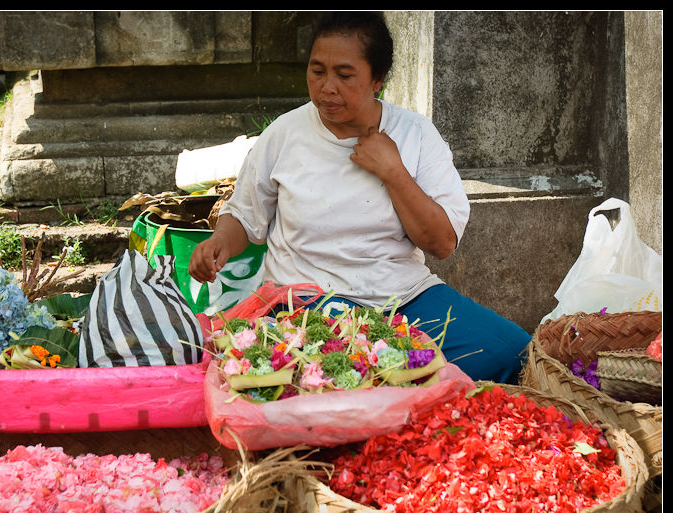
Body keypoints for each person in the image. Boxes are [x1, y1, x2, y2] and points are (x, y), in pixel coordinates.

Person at [189, 11, 530, 384]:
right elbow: (244, 216)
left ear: (378, 80)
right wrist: (219, 242)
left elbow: (442, 242)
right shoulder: (286, 133)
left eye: (344, 75)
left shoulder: (416, 135)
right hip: (307, 305)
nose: (326, 87)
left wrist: (393, 172)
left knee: (514, 355)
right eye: (317, 71)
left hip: (403, 299)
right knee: (335, 375)